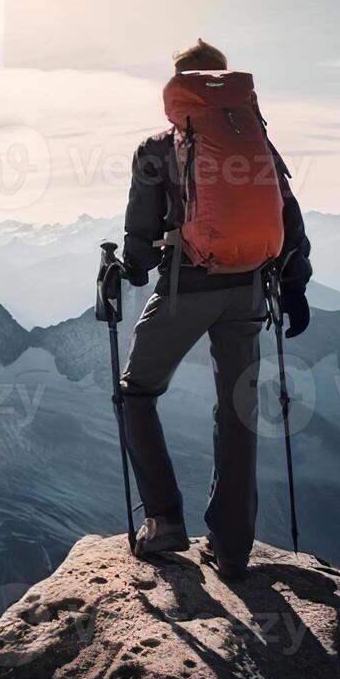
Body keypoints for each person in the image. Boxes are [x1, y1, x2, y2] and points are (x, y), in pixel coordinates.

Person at [118, 39, 312, 581]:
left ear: (179, 85)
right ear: (224, 79)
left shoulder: (158, 148)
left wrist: (130, 270)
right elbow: (288, 218)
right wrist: (295, 286)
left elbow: (139, 238)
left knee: (135, 392)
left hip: (188, 288)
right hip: (250, 289)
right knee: (236, 411)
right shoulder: (257, 142)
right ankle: (232, 548)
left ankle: (165, 521)